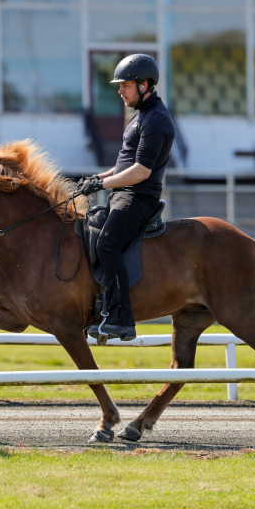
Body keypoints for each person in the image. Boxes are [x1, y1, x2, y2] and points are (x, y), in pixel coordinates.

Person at [76, 53, 175, 341]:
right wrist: (97, 179)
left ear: (144, 85)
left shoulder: (156, 120)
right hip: (124, 192)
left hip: (139, 197)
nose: (119, 91)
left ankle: (121, 318)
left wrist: (102, 186)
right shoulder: (140, 116)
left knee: (107, 245)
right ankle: (97, 308)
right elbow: (124, 166)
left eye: (125, 85)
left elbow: (141, 172)